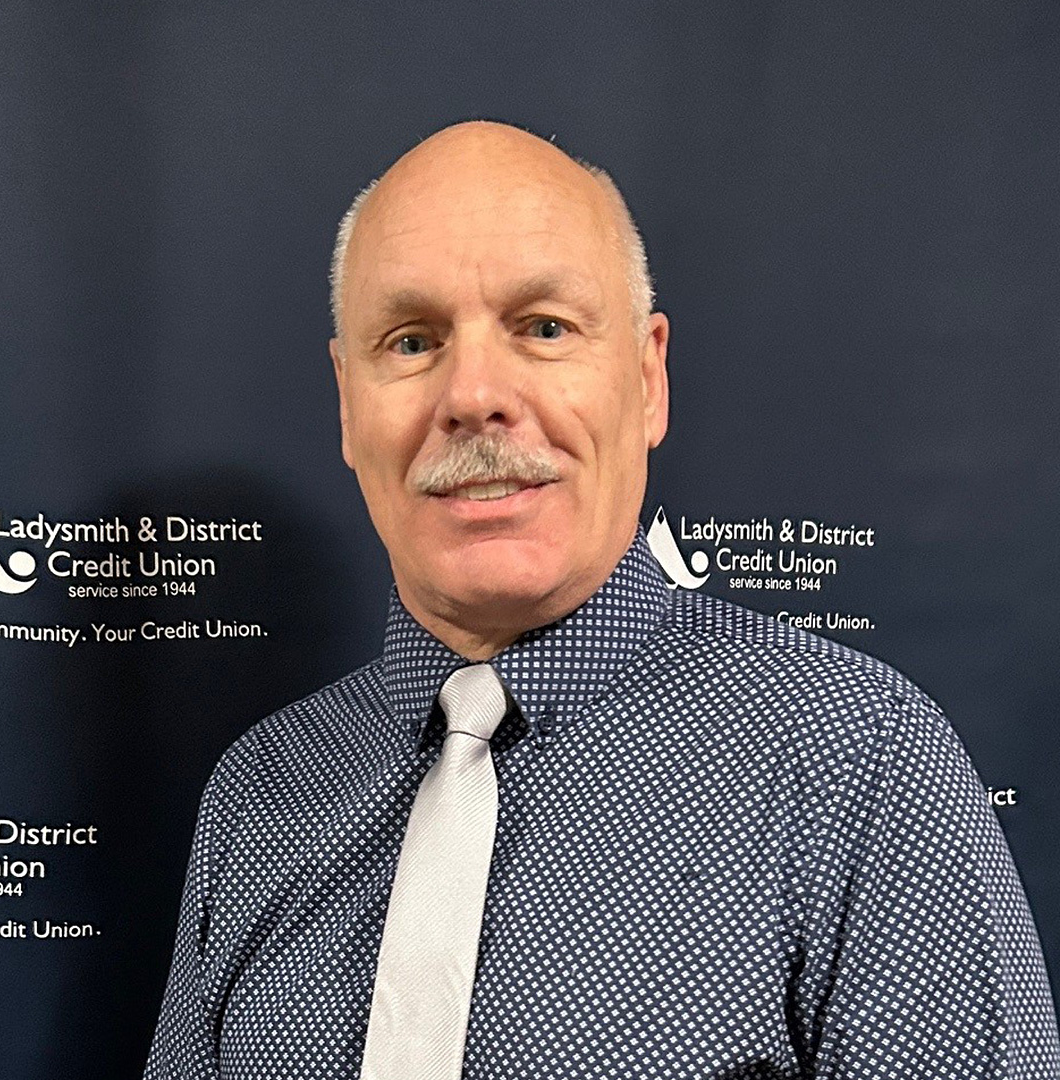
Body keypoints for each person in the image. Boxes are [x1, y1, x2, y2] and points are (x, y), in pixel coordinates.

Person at [146, 121, 1060, 1079]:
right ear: (348, 402)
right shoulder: (259, 792)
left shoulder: (861, 765)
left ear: (648, 376)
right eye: (412, 342)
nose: (474, 395)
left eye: (544, 328)